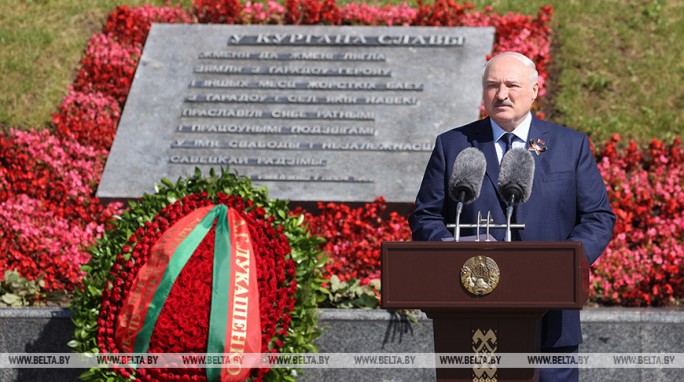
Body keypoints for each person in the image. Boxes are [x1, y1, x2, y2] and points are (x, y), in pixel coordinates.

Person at [409, 52, 616, 381]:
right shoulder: (453, 145)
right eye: (492, 85)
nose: (501, 94)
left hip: (552, 315)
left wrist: (568, 263)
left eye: (512, 85)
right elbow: (426, 216)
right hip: (473, 310)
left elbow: (598, 216)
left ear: (535, 89)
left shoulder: (569, 146)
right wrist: (450, 250)